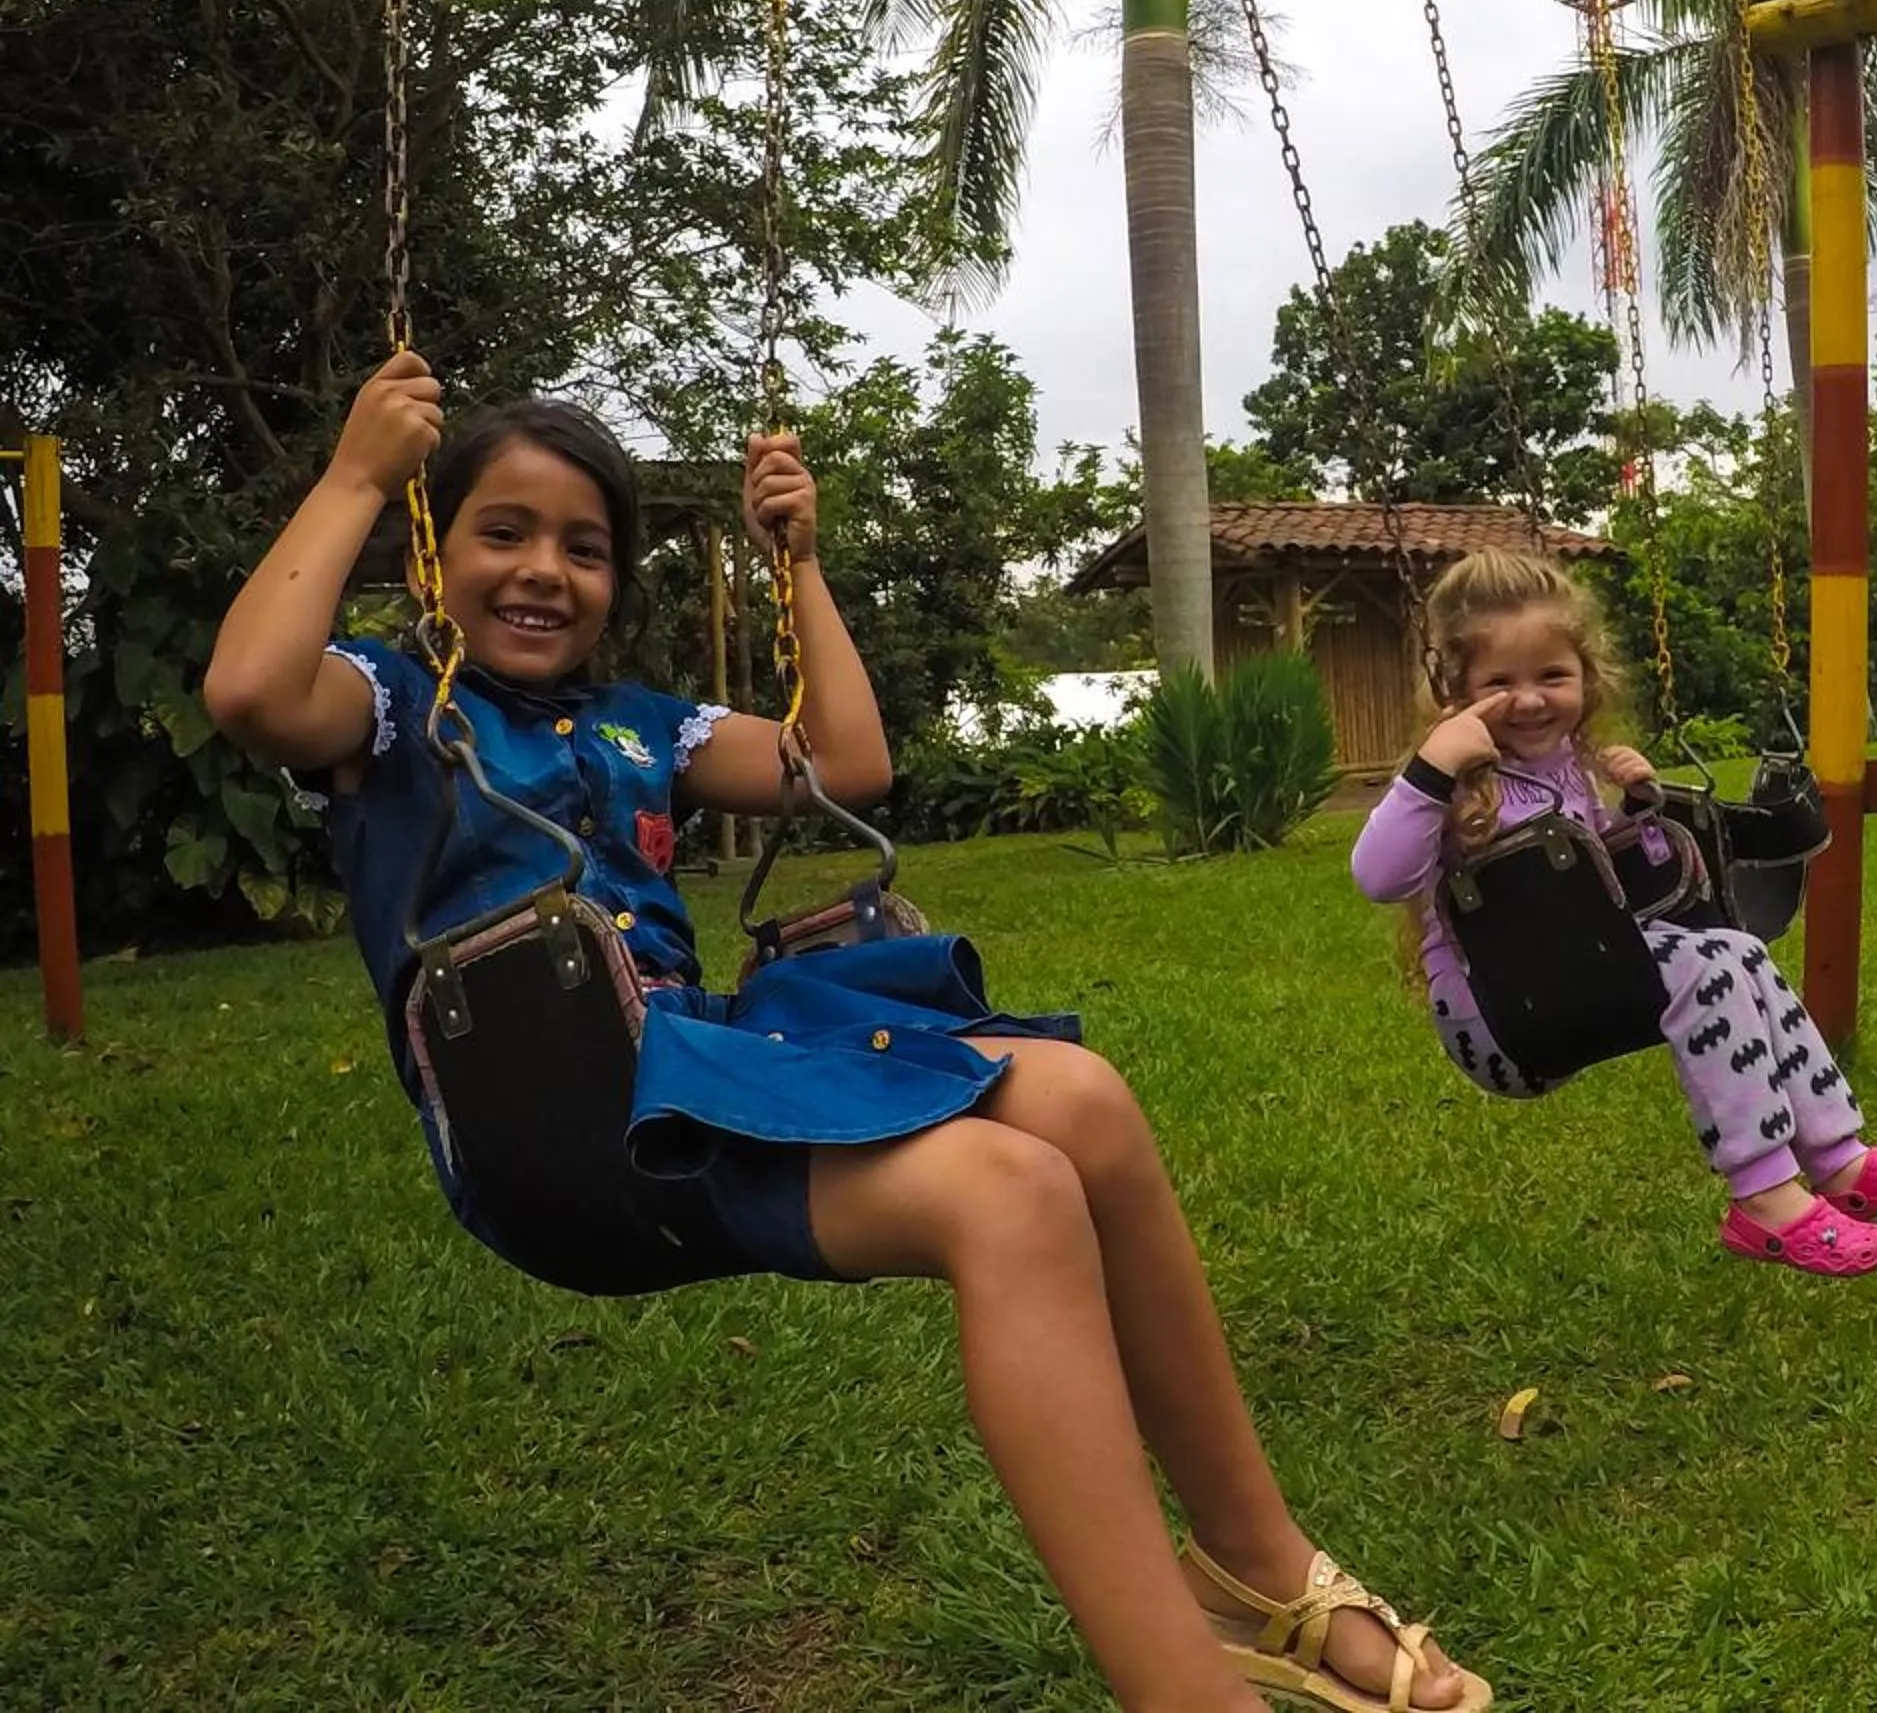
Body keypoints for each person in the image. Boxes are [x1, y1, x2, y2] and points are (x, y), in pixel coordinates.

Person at [204, 351, 1485, 1713]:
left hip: (695, 1071)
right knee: (1010, 1196)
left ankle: (1258, 1570)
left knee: (1087, 1103)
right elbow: (250, 693)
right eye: (502, 532)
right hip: (558, 1126)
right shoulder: (393, 706)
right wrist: (354, 474)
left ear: (615, 587)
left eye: (584, 547)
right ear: (431, 549)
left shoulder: (648, 726)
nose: (543, 570)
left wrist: (798, 566)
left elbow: (849, 764)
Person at [1351, 549, 1877, 1279]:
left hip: (1578, 975)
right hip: (1501, 1017)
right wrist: (1433, 764)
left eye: (1552, 676)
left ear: (1586, 676)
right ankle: (1764, 1198)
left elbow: (1614, 894)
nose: (1532, 700)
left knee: (1739, 950)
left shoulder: (1572, 771)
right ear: (1458, 691)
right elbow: (1377, 877)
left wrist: (1638, 815)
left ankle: (1838, 1161)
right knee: (1704, 971)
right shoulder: (1447, 778)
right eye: (1499, 683)